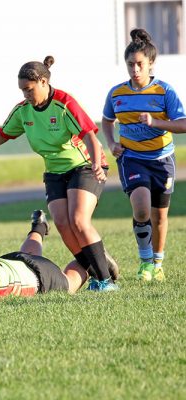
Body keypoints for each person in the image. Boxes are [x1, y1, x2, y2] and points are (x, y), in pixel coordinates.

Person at [0, 56, 118, 291]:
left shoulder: (65, 104)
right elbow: (3, 133)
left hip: (84, 165)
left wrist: (96, 163)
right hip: (54, 171)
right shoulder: (24, 111)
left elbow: (89, 136)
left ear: (43, 82)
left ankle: (105, 281)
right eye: (22, 90)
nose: (25, 95)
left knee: (78, 220)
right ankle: (98, 266)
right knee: (63, 223)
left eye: (29, 89)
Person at [102, 28, 186, 282]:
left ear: (151, 63)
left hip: (162, 159)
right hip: (132, 158)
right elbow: (107, 121)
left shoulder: (164, 92)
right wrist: (111, 143)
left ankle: (157, 263)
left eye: (140, 64)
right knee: (141, 209)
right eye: (130, 64)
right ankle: (145, 261)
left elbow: (182, 125)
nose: (135, 69)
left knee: (160, 215)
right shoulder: (117, 93)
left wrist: (155, 122)